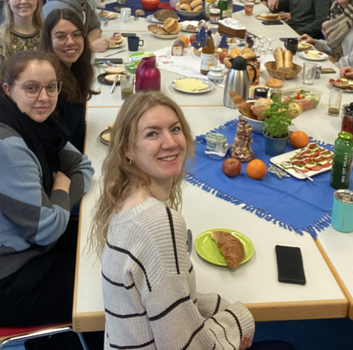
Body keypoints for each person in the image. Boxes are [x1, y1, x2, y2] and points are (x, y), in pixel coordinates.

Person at [91, 92, 296, 350]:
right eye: (152, 134)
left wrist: (225, 312)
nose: (170, 142)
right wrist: (237, 322)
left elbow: (174, 298)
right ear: (127, 149)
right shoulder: (157, 223)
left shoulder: (124, 196)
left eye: (174, 129)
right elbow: (183, 345)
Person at [0, 51, 94, 330]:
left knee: (103, 241)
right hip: (6, 280)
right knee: (110, 284)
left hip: (29, 247)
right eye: (31, 88)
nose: (44, 97)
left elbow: (83, 166)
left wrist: (55, 205)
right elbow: (48, 229)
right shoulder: (5, 148)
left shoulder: (36, 125)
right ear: (8, 89)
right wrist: (61, 188)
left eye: (51, 87)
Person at [40, 9, 98, 153]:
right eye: (60, 36)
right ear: (48, 40)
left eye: (76, 34)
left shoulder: (76, 69)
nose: (70, 42)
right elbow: (54, 144)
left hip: (78, 148)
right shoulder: (49, 84)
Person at [0, 0, 43, 81]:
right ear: (8, 1)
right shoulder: (0, 41)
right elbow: (5, 82)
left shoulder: (48, 29)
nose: (23, 1)